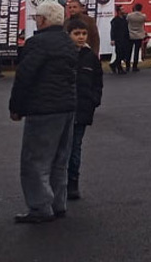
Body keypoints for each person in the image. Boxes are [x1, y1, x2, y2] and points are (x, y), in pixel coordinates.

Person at [8, 0, 78, 224]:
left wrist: (16, 107)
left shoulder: (37, 43)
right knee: (59, 159)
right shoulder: (68, 42)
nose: (36, 21)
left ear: (43, 20)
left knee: (35, 160)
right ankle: (58, 202)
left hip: (43, 107)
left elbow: (25, 76)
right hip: (67, 106)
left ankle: (39, 206)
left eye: (37, 17)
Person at [63, 16, 102, 201]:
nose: (81, 37)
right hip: (63, 107)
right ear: (68, 34)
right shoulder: (63, 55)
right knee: (63, 146)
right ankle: (60, 181)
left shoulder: (90, 57)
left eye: (84, 33)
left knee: (76, 147)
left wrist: (95, 99)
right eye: (77, 33)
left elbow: (98, 81)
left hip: (83, 107)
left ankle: (73, 182)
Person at [126, 4, 147, 73]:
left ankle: (127, 65)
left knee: (129, 51)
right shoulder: (143, 16)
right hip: (139, 35)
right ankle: (135, 66)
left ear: (134, 8)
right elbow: (145, 21)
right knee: (136, 51)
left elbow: (126, 21)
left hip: (131, 34)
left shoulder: (129, 16)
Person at [109, 7, 130, 75]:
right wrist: (112, 39)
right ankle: (119, 68)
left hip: (125, 38)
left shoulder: (124, 18)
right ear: (118, 11)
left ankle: (113, 64)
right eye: (122, 9)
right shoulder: (115, 20)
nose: (123, 10)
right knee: (119, 54)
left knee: (124, 54)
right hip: (118, 39)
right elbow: (113, 30)